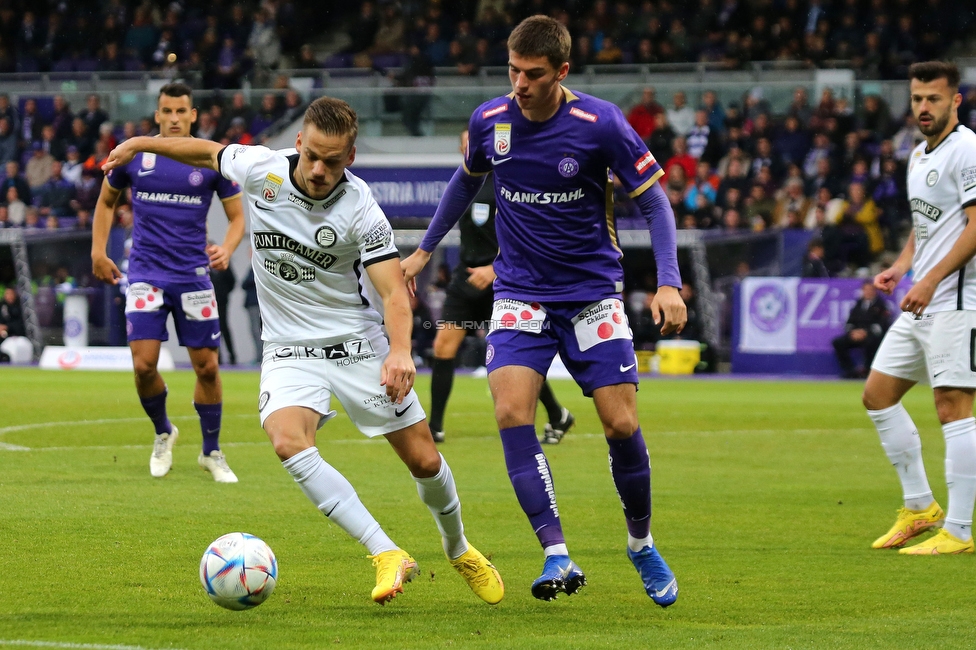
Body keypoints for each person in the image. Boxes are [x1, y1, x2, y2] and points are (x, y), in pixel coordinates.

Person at [102, 95, 505, 606]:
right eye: (312, 155)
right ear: (298, 143)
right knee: (288, 440)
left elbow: (391, 292)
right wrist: (139, 142)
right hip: (289, 349)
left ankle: (459, 547)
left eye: (332, 161)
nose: (318, 169)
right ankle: (385, 551)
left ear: (350, 158)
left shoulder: (362, 208)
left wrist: (399, 351)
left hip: (357, 346)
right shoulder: (261, 169)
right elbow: (204, 151)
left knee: (424, 461)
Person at [401, 15, 686, 606]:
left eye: (533, 75)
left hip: (591, 294)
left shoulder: (599, 122)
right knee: (510, 412)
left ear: (561, 71)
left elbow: (655, 204)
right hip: (520, 292)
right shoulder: (491, 120)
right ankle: (556, 552)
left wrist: (669, 283)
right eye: (513, 71)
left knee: (622, 425)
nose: (520, 85)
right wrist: (423, 251)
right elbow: (463, 183)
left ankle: (641, 543)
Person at [91, 83, 246, 483]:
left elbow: (238, 218)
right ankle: (164, 431)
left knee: (207, 368)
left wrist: (227, 248)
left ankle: (211, 451)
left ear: (193, 115)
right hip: (144, 273)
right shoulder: (135, 156)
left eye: (181, 111)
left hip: (193, 277)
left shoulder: (212, 158)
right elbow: (106, 202)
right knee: (143, 366)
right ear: (157, 116)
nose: (174, 118)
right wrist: (98, 250)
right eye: (167, 111)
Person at [863, 61, 976, 555]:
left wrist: (929, 280)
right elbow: (924, 225)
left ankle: (959, 530)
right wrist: (901, 265)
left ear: (956, 100)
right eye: (916, 99)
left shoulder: (968, 150)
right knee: (877, 395)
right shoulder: (916, 155)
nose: (923, 108)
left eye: (933, 98)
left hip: (958, 301)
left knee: (952, 407)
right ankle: (919, 508)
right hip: (922, 299)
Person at [418, 130, 576, 445]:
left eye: (474, 142)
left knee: (516, 358)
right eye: (464, 143)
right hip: (466, 277)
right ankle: (434, 427)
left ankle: (557, 413)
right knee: (443, 348)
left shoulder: (510, 182)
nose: (469, 148)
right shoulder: (463, 184)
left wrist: (494, 269)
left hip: (505, 278)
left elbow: (529, 238)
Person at [833, 280, 891, 378]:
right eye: (865, 289)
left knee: (872, 343)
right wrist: (853, 332)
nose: (868, 292)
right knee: (838, 342)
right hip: (856, 335)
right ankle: (850, 370)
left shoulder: (881, 305)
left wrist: (865, 332)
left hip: (872, 336)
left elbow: (881, 325)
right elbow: (850, 322)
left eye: (870, 289)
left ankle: (867, 370)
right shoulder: (858, 304)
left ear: (875, 291)